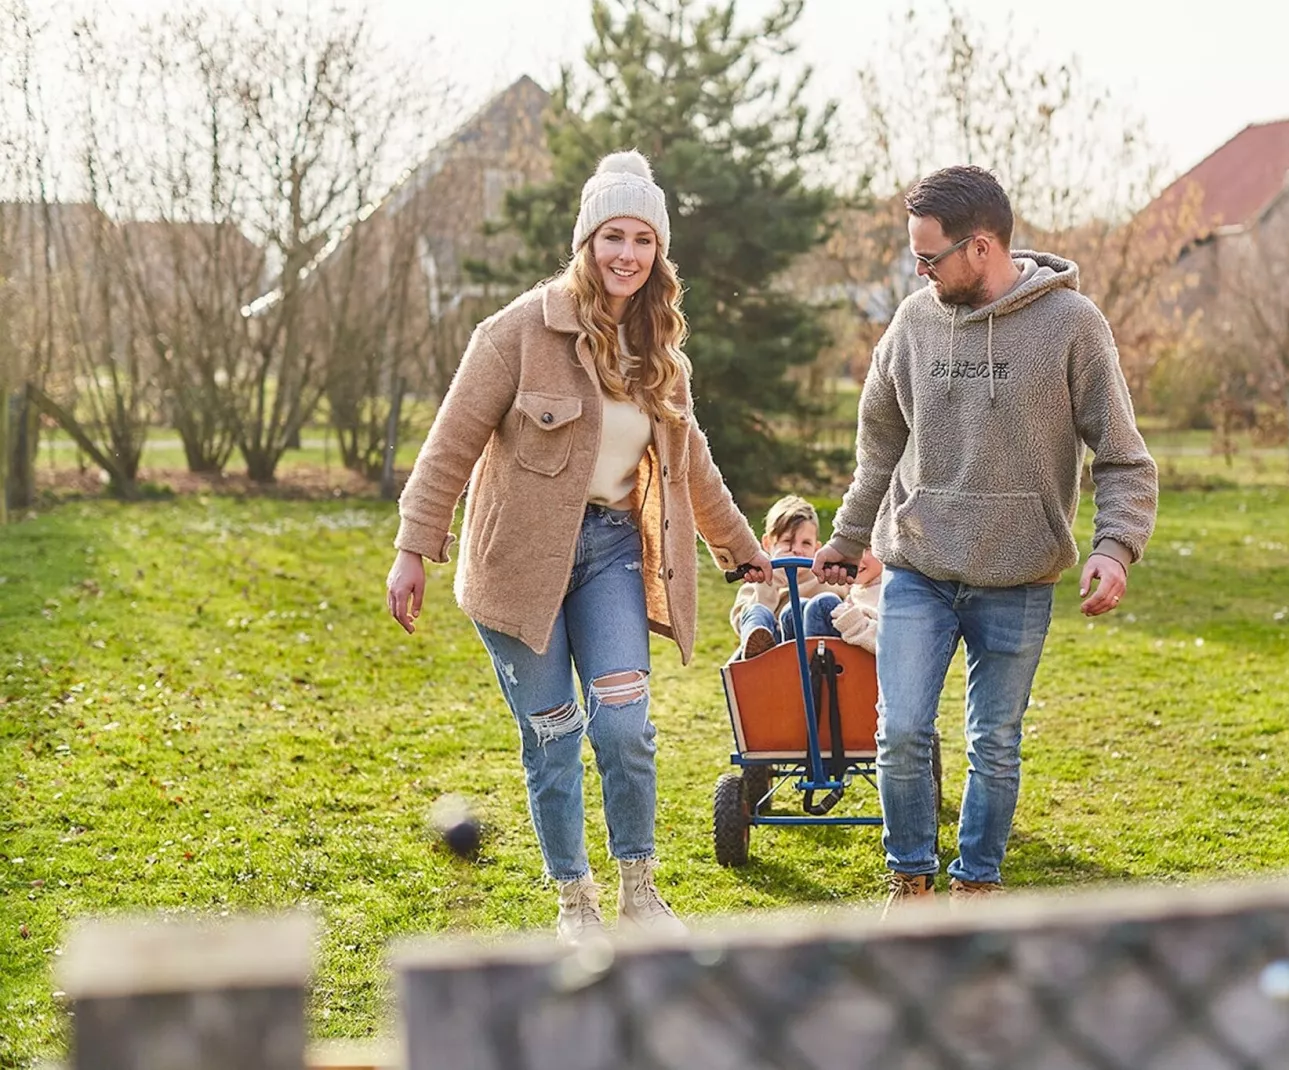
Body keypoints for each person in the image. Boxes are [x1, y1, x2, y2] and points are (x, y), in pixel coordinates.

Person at [385, 150, 770, 945]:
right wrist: (413, 548)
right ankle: (576, 901)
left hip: (610, 553)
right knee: (554, 734)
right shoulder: (521, 331)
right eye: (611, 236)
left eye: (642, 240)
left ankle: (639, 890)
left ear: (659, 251)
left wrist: (740, 548)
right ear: (586, 241)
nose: (627, 254)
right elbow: (450, 443)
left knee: (624, 726)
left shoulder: (661, 351)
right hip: (515, 565)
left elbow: (690, 461)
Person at [813, 165, 1158, 911]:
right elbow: (879, 446)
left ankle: (977, 885)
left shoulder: (1072, 326)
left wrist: (1113, 546)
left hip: (1019, 574)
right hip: (920, 567)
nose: (919, 270)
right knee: (902, 731)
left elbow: (1124, 456)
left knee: (993, 743)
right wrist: (845, 537)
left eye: (929, 257)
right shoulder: (913, 323)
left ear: (980, 247)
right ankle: (911, 881)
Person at [731, 496, 883, 657]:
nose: (797, 550)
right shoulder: (754, 585)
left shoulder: (828, 580)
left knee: (802, 607)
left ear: (817, 548)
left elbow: (849, 601)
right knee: (757, 611)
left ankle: (811, 667)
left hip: (810, 648)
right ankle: (757, 658)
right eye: (787, 541)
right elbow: (740, 623)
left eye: (806, 543)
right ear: (768, 544)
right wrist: (768, 582)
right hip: (776, 645)